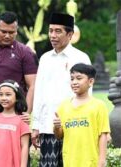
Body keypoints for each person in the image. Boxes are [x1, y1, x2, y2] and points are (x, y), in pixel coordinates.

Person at [31, 12, 91, 167]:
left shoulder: (81, 58)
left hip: (74, 127)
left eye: (58, 31)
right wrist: (36, 126)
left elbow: (87, 95)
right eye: (50, 30)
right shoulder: (44, 59)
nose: (53, 35)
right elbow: (39, 93)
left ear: (70, 34)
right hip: (47, 127)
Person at [53, 63, 110, 167]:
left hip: (92, 162)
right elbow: (59, 136)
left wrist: (101, 161)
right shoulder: (63, 106)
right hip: (70, 162)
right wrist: (57, 127)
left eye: (79, 78)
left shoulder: (98, 106)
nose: (74, 82)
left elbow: (103, 135)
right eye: (72, 79)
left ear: (91, 81)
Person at [0, 79, 30, 167]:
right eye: (1, 95)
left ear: (17, 97)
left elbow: (25, 147)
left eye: (8, 95)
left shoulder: (22, 120)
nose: (4, 98)